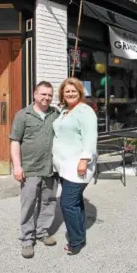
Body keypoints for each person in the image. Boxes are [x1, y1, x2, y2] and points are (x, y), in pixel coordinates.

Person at [10, 81, 59, 259]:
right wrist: (17, 166)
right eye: (43, 94)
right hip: (30, 168)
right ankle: (27, 239)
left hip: (51, 167)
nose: (46, 98)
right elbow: (15, 141)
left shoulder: (55, 113)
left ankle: (42, 232)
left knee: (49, 201)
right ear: (34, 94)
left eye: (49, 95)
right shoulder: (23, 115)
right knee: (28, 204)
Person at [52, 77, 98, 255]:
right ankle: (80, 235)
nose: (70, 93)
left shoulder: (85, 111)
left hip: (78, 165)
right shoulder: (64, 111)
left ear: (80, 93)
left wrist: (84, 160)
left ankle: (76, 241)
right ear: (62, 94)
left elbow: (90, 137)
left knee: (67, 204)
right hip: (64, 166)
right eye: (67, 91)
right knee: (76, 203)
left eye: (74, 91)